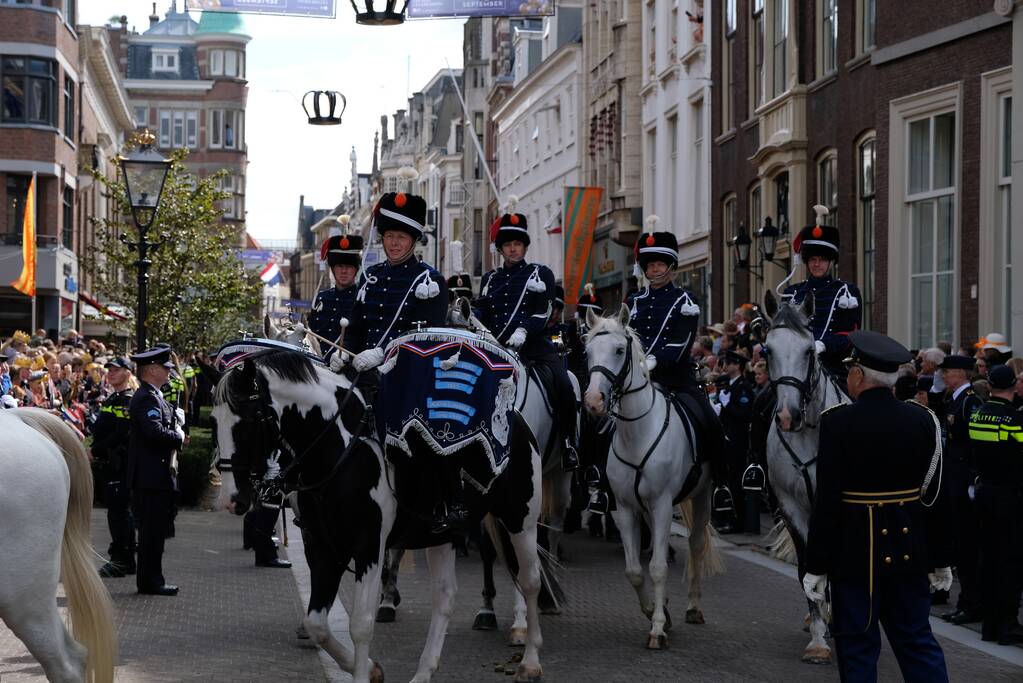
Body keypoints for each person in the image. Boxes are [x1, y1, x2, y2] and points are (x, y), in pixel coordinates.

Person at [803, 330, 952, 682]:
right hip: (909, 551)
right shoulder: (922, 419)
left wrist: (817, 564)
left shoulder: (837, 422)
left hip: (855, 555)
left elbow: (828, 502)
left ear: (857, 376)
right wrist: (940, 556)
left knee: (857, 649)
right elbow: (934, 496)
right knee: (917, 642)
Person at [334, 181, 450, 527]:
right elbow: (355, 328)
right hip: (365, 370)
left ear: (413, 240)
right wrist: (343, 353)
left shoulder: (430, 281)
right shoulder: (370, 279)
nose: (394, 242)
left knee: (427, 433)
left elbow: (426, 335)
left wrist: (382, 353)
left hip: (411, 372)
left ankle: (439, 501)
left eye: (401, 237)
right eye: (388, 236)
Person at [626, 227, 726, 508]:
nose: (654, 269)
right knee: (603, 421)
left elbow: (681, 342)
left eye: (660, 264)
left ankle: (721, 484)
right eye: (650, 264)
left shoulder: (685, 301)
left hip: (675, 380)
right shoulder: (634, 301)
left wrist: (655, 359)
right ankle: (597, 478)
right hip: (636, 382)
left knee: (710, 421)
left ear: (671, 267)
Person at [474, 210, 579, 472]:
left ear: (524, 246)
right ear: (500, 248)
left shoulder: (540, 274)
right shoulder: (490, 279)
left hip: (534, 347)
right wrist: (468, 316)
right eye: (508, 245)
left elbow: (543, 311)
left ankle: (568, 443)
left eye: (517, 244)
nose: (513, 249)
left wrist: (524, 330)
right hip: (496, 349)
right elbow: (483, 311)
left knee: (565, 383)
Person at [967, 364, 1023, 644]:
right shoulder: (1012, 419)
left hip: (985, 491)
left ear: (989, 385)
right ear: (1014, 386)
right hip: (1008, 496)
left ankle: (991, 625)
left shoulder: (977, 414)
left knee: (988, 560)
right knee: (1009, 562)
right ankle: (1008, 624)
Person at [127, 346, 185, 596]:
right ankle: (151, 582)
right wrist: (178, 437)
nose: (169, 372)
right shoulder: (147, 397)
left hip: (155, 476)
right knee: (151, 535)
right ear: (152, 370)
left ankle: (152, 580)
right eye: (165, 367)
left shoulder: (154, 395)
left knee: (156, 533)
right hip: (150, 477)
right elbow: (154, 432)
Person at [936, 354, 984, 625]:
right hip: (952, 481)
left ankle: (972, 603)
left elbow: (974, 446)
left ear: (961, 374)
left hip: (964, 481)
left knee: (967, 546)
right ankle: (967, 601)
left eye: (948, 372)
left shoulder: (970, 402)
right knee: (960, 545)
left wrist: (972, 480)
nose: (944, 376)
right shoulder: (953, 399)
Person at [91, 357, 136, 578]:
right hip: (111, 463)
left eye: (117, 370)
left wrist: (95, 449)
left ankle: (120, 560)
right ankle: (125, 559)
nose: (111, 373)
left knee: (119, 514)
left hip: (119, 464)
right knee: (118, 513)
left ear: (128, 373)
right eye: (109, 370)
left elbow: (121, 433)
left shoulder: (126, 400)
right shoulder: (114, 398)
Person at [715, 350, 756, 532]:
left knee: (736, 482)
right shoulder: (729, 385)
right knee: (727, 480)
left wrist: (727, 405)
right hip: (726, 439)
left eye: (729, 363)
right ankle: (725, 517)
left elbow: (744, 414)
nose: (725, 366)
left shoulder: (743, 387)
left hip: (738, 441)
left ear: (738, 366)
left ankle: (737, 521)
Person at [310, 220, 363, 359]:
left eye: (349, 267)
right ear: (332, 268)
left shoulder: (362, 299)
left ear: (356, 269)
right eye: (339, 266)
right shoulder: (322, 298)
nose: (344, 271)